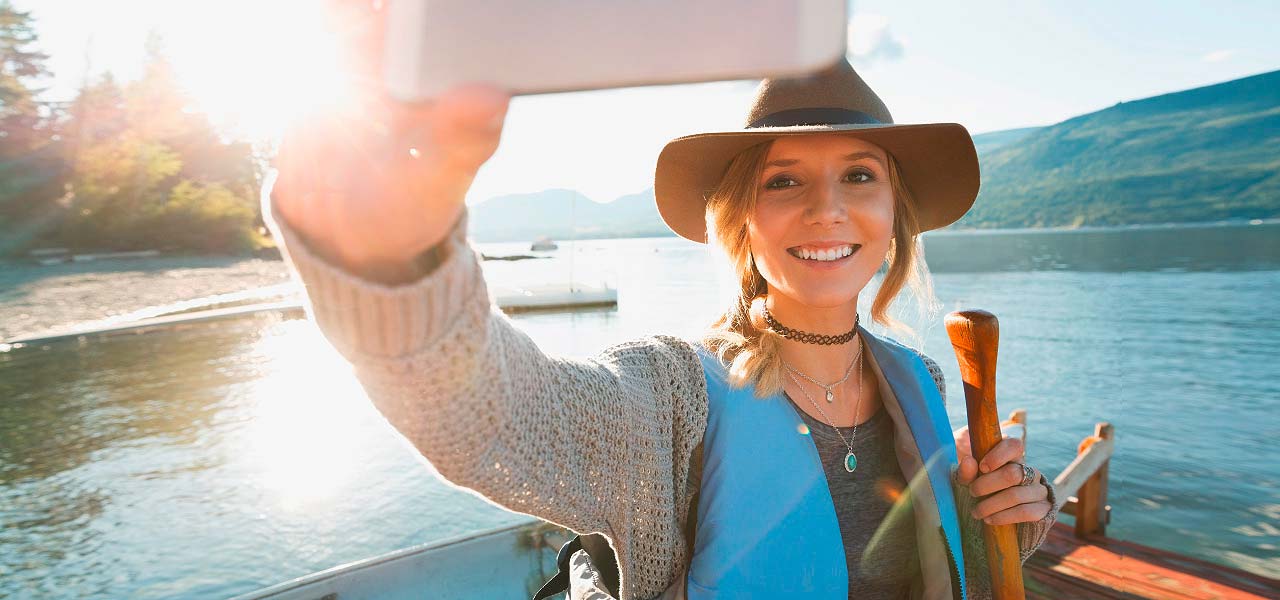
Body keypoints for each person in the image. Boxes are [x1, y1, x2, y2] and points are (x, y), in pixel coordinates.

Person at [266, 9, 1058, 599]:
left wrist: (1015, 513)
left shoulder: (920, 377)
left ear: (894, 216)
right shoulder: (673, 394)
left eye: (860, 175)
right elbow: (494, 418)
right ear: (741, 219)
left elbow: (954, 565)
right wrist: (391, 253)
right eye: (783, 180)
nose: (828, 210)